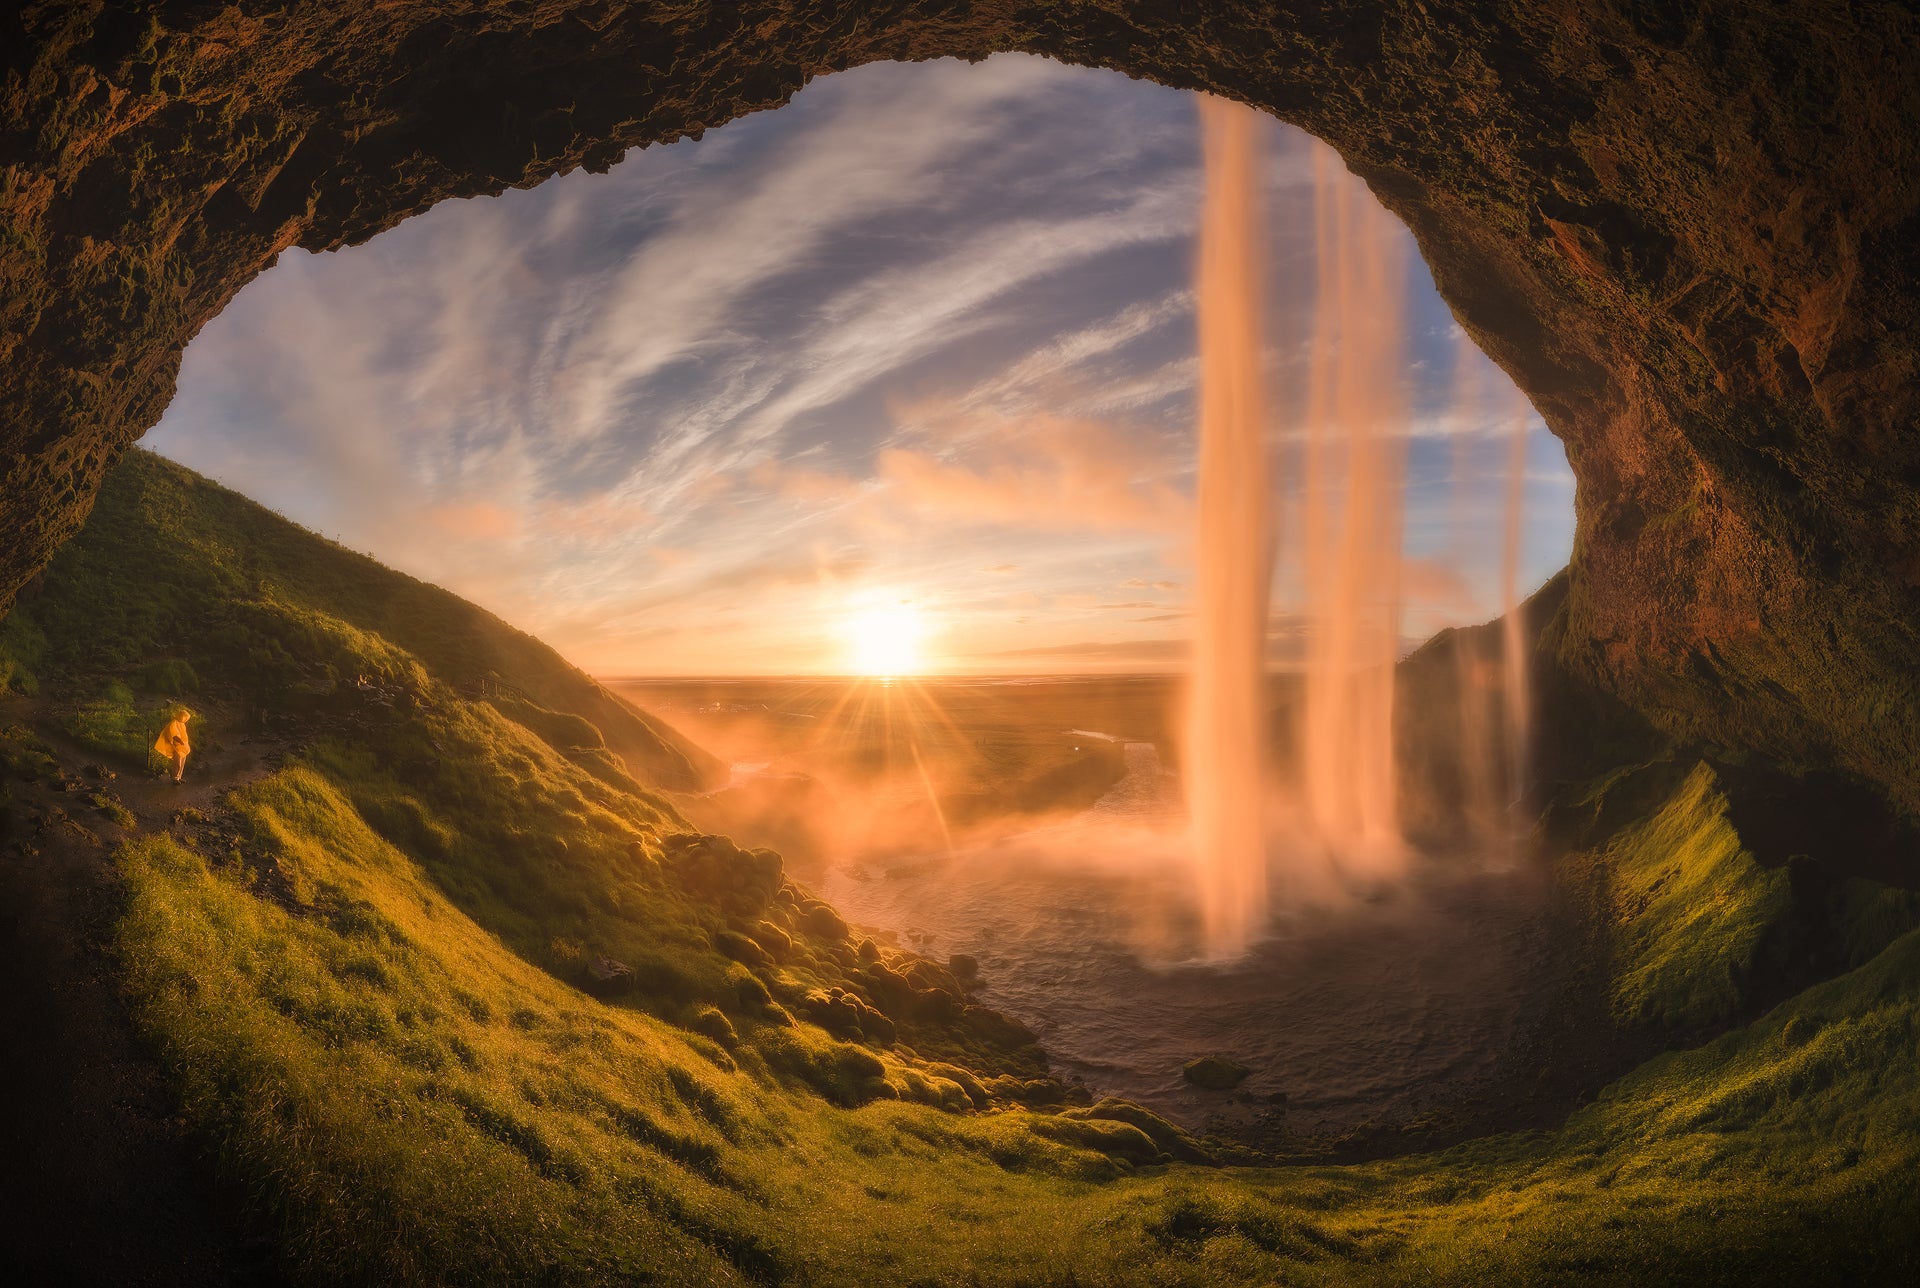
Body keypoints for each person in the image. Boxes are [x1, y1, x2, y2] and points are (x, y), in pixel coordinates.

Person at [154, 708, 192, 784]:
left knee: (182, 763)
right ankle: (175, 778)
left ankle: (178, 777)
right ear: (182, 716)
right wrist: (180, 741)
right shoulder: (173, 723)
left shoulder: (182, 724)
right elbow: (174, 734)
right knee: (177, 763)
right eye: (185, 718)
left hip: (183, 747)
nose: (186, 719)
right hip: (176, 747)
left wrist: (184, 743)